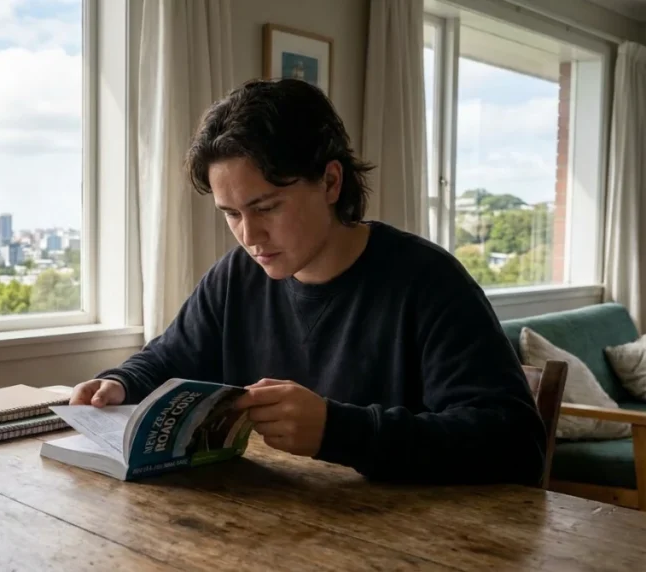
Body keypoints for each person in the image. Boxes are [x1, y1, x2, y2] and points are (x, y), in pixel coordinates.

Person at [69, 78, 547, 486]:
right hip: (276, 530)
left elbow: (515, 443)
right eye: (231, 214)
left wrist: (337, 431)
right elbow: (170, 356)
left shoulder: (428, 282)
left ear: (332, 182)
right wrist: (120, 381)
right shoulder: (236, 277)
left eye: (267, 207)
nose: (249, 236)